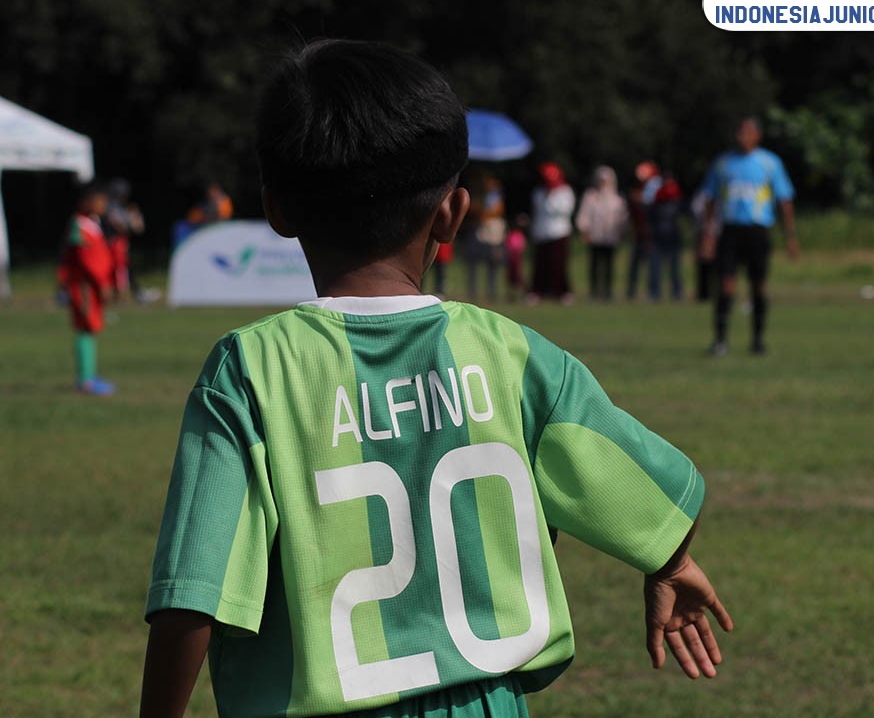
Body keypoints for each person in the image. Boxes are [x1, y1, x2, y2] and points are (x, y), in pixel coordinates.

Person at [140, 40, 732, 718]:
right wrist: (670, 564)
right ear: (452, 214)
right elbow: (649, 494)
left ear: (276, 209)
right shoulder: (513, 354)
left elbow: (194, 593)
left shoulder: (250, 372)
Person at [701, 116, 798, 356]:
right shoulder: (723, 163)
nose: (741, 136)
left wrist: (790, 236)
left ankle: (757, 341)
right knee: (726, 285)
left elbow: (784, 200)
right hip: (730, 230)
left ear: (757, 135)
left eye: (747, 132)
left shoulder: (769, 163)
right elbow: (711, 199)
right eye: (739, 131)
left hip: (757, 230)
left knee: (758, 286)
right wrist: (708, 234)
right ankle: (720, 341)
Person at [57, 182, 116, 395]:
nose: (103, 205)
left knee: (90, 328)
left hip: (91, 285)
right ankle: (85, 379)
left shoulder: (92, 223)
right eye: (99, 201)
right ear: (86, 202)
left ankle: (89, 375)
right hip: (84, 287)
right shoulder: (80, 225)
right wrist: (102, 282)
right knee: (85, 327)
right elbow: (87, 259)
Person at [575, 165, 627, 301]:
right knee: (594, 265)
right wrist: (584, 230)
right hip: (595, 237)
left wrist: (621, 232)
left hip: (610, 237)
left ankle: (607, 291)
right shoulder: (590, 196)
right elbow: (584, 215)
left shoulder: (617, 199)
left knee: (609, 265)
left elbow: (622, 218)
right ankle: (594, 291)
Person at [527, 161, 576, 304]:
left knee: (558, 264)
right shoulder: (538, 192)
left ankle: (562, 292)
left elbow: (564, 210)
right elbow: (538, 211)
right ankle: (538, 291)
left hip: (559, 232)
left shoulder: (565, 191)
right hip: (542, 233)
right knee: (540, 264)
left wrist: (551, 197)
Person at [103, 177, 146, 302]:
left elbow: (139, 227)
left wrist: (134, 216)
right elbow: (119, 225)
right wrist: (130, 222)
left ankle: (124, 294)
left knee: (122, 268)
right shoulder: (110, 207)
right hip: (111, 242)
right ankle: (119, 295)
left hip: (121, 243)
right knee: (113, 269)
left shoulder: (127, 208)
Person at [466, 173, 506, 301]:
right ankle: (472, 291)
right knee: (473, 263)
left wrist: (483, 213)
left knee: (492, 264)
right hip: (479, 232)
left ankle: (492, 292)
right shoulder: (478, 196)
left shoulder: (496, 198)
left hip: (492, 234)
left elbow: (496, 211)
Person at [646, 170, 685, 302]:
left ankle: (677, 291)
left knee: (675, 267)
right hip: (658, 237)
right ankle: (654, 292)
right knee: (655, 267)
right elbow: (650, 220)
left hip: (673, 237)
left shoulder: (678, 200)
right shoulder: (657, 200)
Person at [626, 161, 657, 300]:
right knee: (635, 264)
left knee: (652, 264)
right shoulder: (637, 191)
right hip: (639, 234)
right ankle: (631, 291)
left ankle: (653, 292)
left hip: (652, 234)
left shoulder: (656, 188)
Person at [505, 213, 528, 300]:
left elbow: (522, 247)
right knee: (511, 278)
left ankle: (521, 294)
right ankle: (512, 295)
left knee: (519, 277)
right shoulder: (512, 234)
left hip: (517, 259)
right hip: (511, 259)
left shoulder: (520, 235)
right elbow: (508, 246)